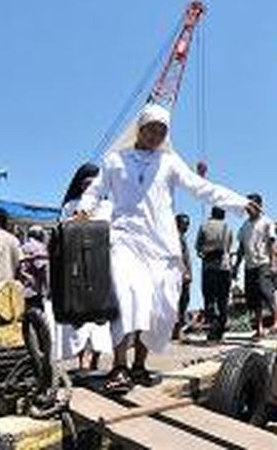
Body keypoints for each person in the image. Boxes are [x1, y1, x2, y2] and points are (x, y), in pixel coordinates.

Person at [78, 103, 255, 390]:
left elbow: (201, 188)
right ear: (140, 128)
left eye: (162, 131)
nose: (156, 135)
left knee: (158, 308)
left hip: (161, 245)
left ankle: (139, 366)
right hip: (126, 239)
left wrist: (239, 202)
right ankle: (119, 367)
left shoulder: (169, 163)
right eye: (152, 129)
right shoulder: (114, 160)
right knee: (126, 295)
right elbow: (94, 191)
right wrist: (84, 210)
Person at [58, 163, 113, 371]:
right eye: (86, 181)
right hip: (77, 268)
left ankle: (96, 358)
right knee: (79, 316)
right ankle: (82, 359)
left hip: (103, 267)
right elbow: (63, 231)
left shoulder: (108, 207)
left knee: (101, 317)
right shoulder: (70, 206)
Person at [233, 193, 277, 339]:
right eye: (247, 205)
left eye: (250, 205)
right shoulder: (244, 226)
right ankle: (259, 328)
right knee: (253, 298)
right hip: (249, 266)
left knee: (266, 292)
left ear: (259, 206)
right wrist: (236, 266)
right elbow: (241, 248)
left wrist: (273, 265)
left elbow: (271, 245)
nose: (247, 208)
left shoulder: (267, 222)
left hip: (263, 263)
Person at [195, 206, 234, 341]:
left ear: (212, 214)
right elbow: (228, 247)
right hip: (224, 268)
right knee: (223, 300)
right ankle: (220, 331)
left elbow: (198, 247)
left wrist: (206, 250)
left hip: (208, 268)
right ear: (223, 215)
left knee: (209, 299)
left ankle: (212, 329)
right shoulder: (227, 227)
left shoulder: (204, 226)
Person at [172, 213, 192, 341]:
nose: (187, 226)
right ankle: (177, 331)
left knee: (183, 302)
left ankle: (176, 330)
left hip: (183, 274)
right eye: (184, 223)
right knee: (180, 302)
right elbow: (179, 257)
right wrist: (185, 272)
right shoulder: (176, 238)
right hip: (180, 275)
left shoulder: (181, 237)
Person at [19, 225, 49, 310]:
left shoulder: (24, 246)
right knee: (38, 319)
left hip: (23, 289)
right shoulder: (40, 247)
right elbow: (42, 268)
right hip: (34, 290)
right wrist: (47, 288)